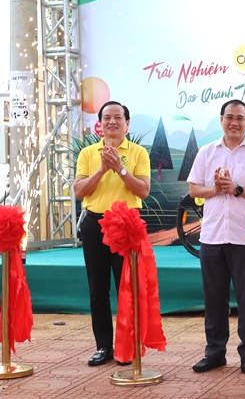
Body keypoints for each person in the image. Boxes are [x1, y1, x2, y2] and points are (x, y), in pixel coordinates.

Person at [187, 99, 245, 374]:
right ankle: (214, 352)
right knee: (214, 299)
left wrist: (237, 189)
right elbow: (194, 190)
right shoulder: (206, 152)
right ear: (221, 120)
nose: (234, 123)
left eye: (240, 118)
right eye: (229, 117)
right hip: (212, 237)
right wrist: (215, 189)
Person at [74, 101, 151, 366]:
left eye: (118, 117)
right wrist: (102, 169)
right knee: (98, 289)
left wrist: (120, 168)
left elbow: (143, 191)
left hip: (126, 227)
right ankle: (104, 346)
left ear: (127, 124)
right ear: (100, 124)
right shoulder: (88, 153)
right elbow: (79, 191)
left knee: (127, 289)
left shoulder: (139, 152)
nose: (112, 122)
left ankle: (127, 347)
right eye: (107, 117)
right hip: (95, 225)